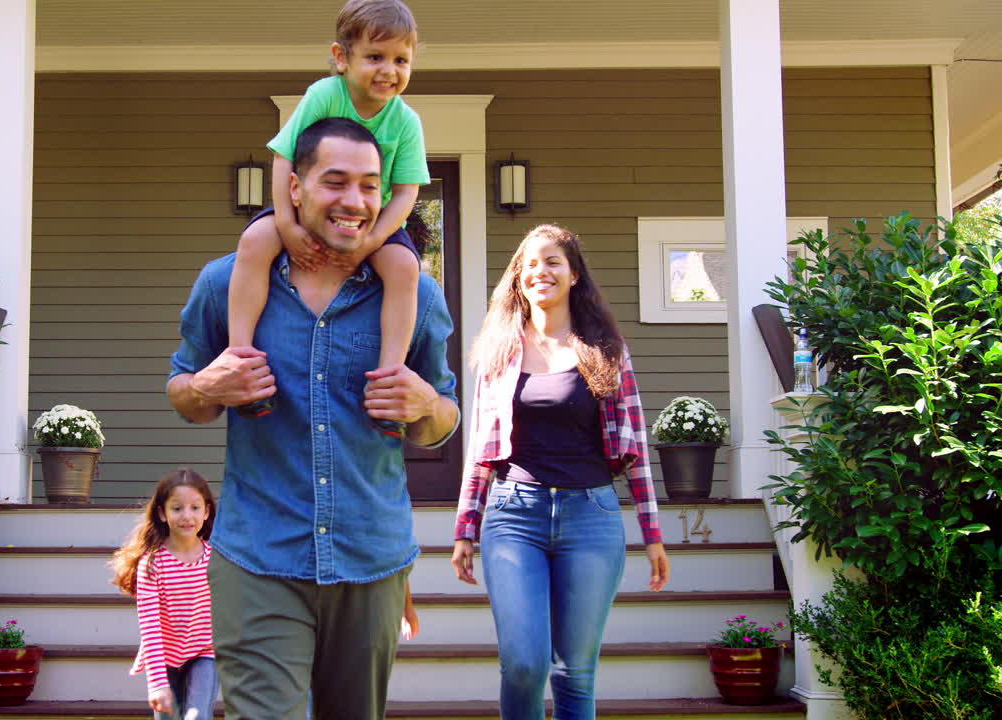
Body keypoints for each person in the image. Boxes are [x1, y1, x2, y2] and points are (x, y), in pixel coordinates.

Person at [167, 116, 458, 720]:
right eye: (335, 181)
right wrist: (207, 384)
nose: (355, 201)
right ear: (294, 186)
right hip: (259, 556)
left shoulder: (415, 296)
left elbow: (445, 418)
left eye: (370, 185)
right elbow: (183, 391)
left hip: (369, 556)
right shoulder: (228, 283)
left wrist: (426, 406)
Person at [449, 224, 671, 720]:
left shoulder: (606, 351)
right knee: (524, 664)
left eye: (552, 261)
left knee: (575, 674)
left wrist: (651, 534)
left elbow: (635, 447)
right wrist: (467, 526)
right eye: (529, 264)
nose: (540, 272)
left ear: (574, 274)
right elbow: (480, 448)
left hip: (590, 516)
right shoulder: (498, 352)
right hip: (513, 516)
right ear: (518, 279)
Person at [226, 0, 428, 440]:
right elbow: (283, 158)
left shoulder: (406, 121)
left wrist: (373, 241)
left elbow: (407, 192)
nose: (388, 70)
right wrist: (287, 224)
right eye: (375, 57)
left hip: (371, 225)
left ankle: (389, 380)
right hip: (304, 212)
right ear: (342, 58)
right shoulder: (324, 95)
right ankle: (240, 358)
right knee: (254, 243)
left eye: (401, 60)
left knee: (405, 267)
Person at [111, 468, 219, 720]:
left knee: (196, 716)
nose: (187, 516)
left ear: (206, 511)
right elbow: (149, 626)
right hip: (164, 656)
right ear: (162, 513)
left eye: (195, 507)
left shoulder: (216, 559)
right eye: (177, 508)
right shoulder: (152, 564)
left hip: (205, 653)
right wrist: (158, 685)